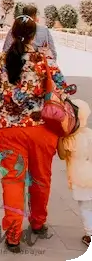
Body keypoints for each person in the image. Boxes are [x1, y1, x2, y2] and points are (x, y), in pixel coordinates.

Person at [0, 15, 72, 253]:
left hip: (9, 129)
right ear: (34, 35)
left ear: (12, 33)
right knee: (41, 179)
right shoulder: (45, 59)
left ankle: (13, 235)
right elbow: (63, 88)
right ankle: (38, 222)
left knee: (13, 181)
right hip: (41, 129)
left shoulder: (0, 60)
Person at [58, 99, 92, 248]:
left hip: (80, 178)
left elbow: (61, 155)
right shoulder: (90, 133)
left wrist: (59, 138)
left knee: (85, 207)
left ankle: (90, 234)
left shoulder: (68, 139)